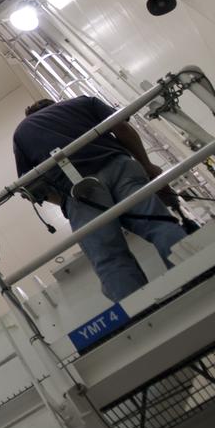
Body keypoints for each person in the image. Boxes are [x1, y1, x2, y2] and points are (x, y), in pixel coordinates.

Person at [13, 96, 187, 302]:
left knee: (109, 256)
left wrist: (66, 203)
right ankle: (195, 269)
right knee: (160, 225)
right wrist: (147, 166)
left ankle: (140, 307)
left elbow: (30, 187)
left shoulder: (22, 132)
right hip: (120, 167)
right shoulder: (83, 102)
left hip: (79, 190)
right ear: (55, 104)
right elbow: (122, 129)